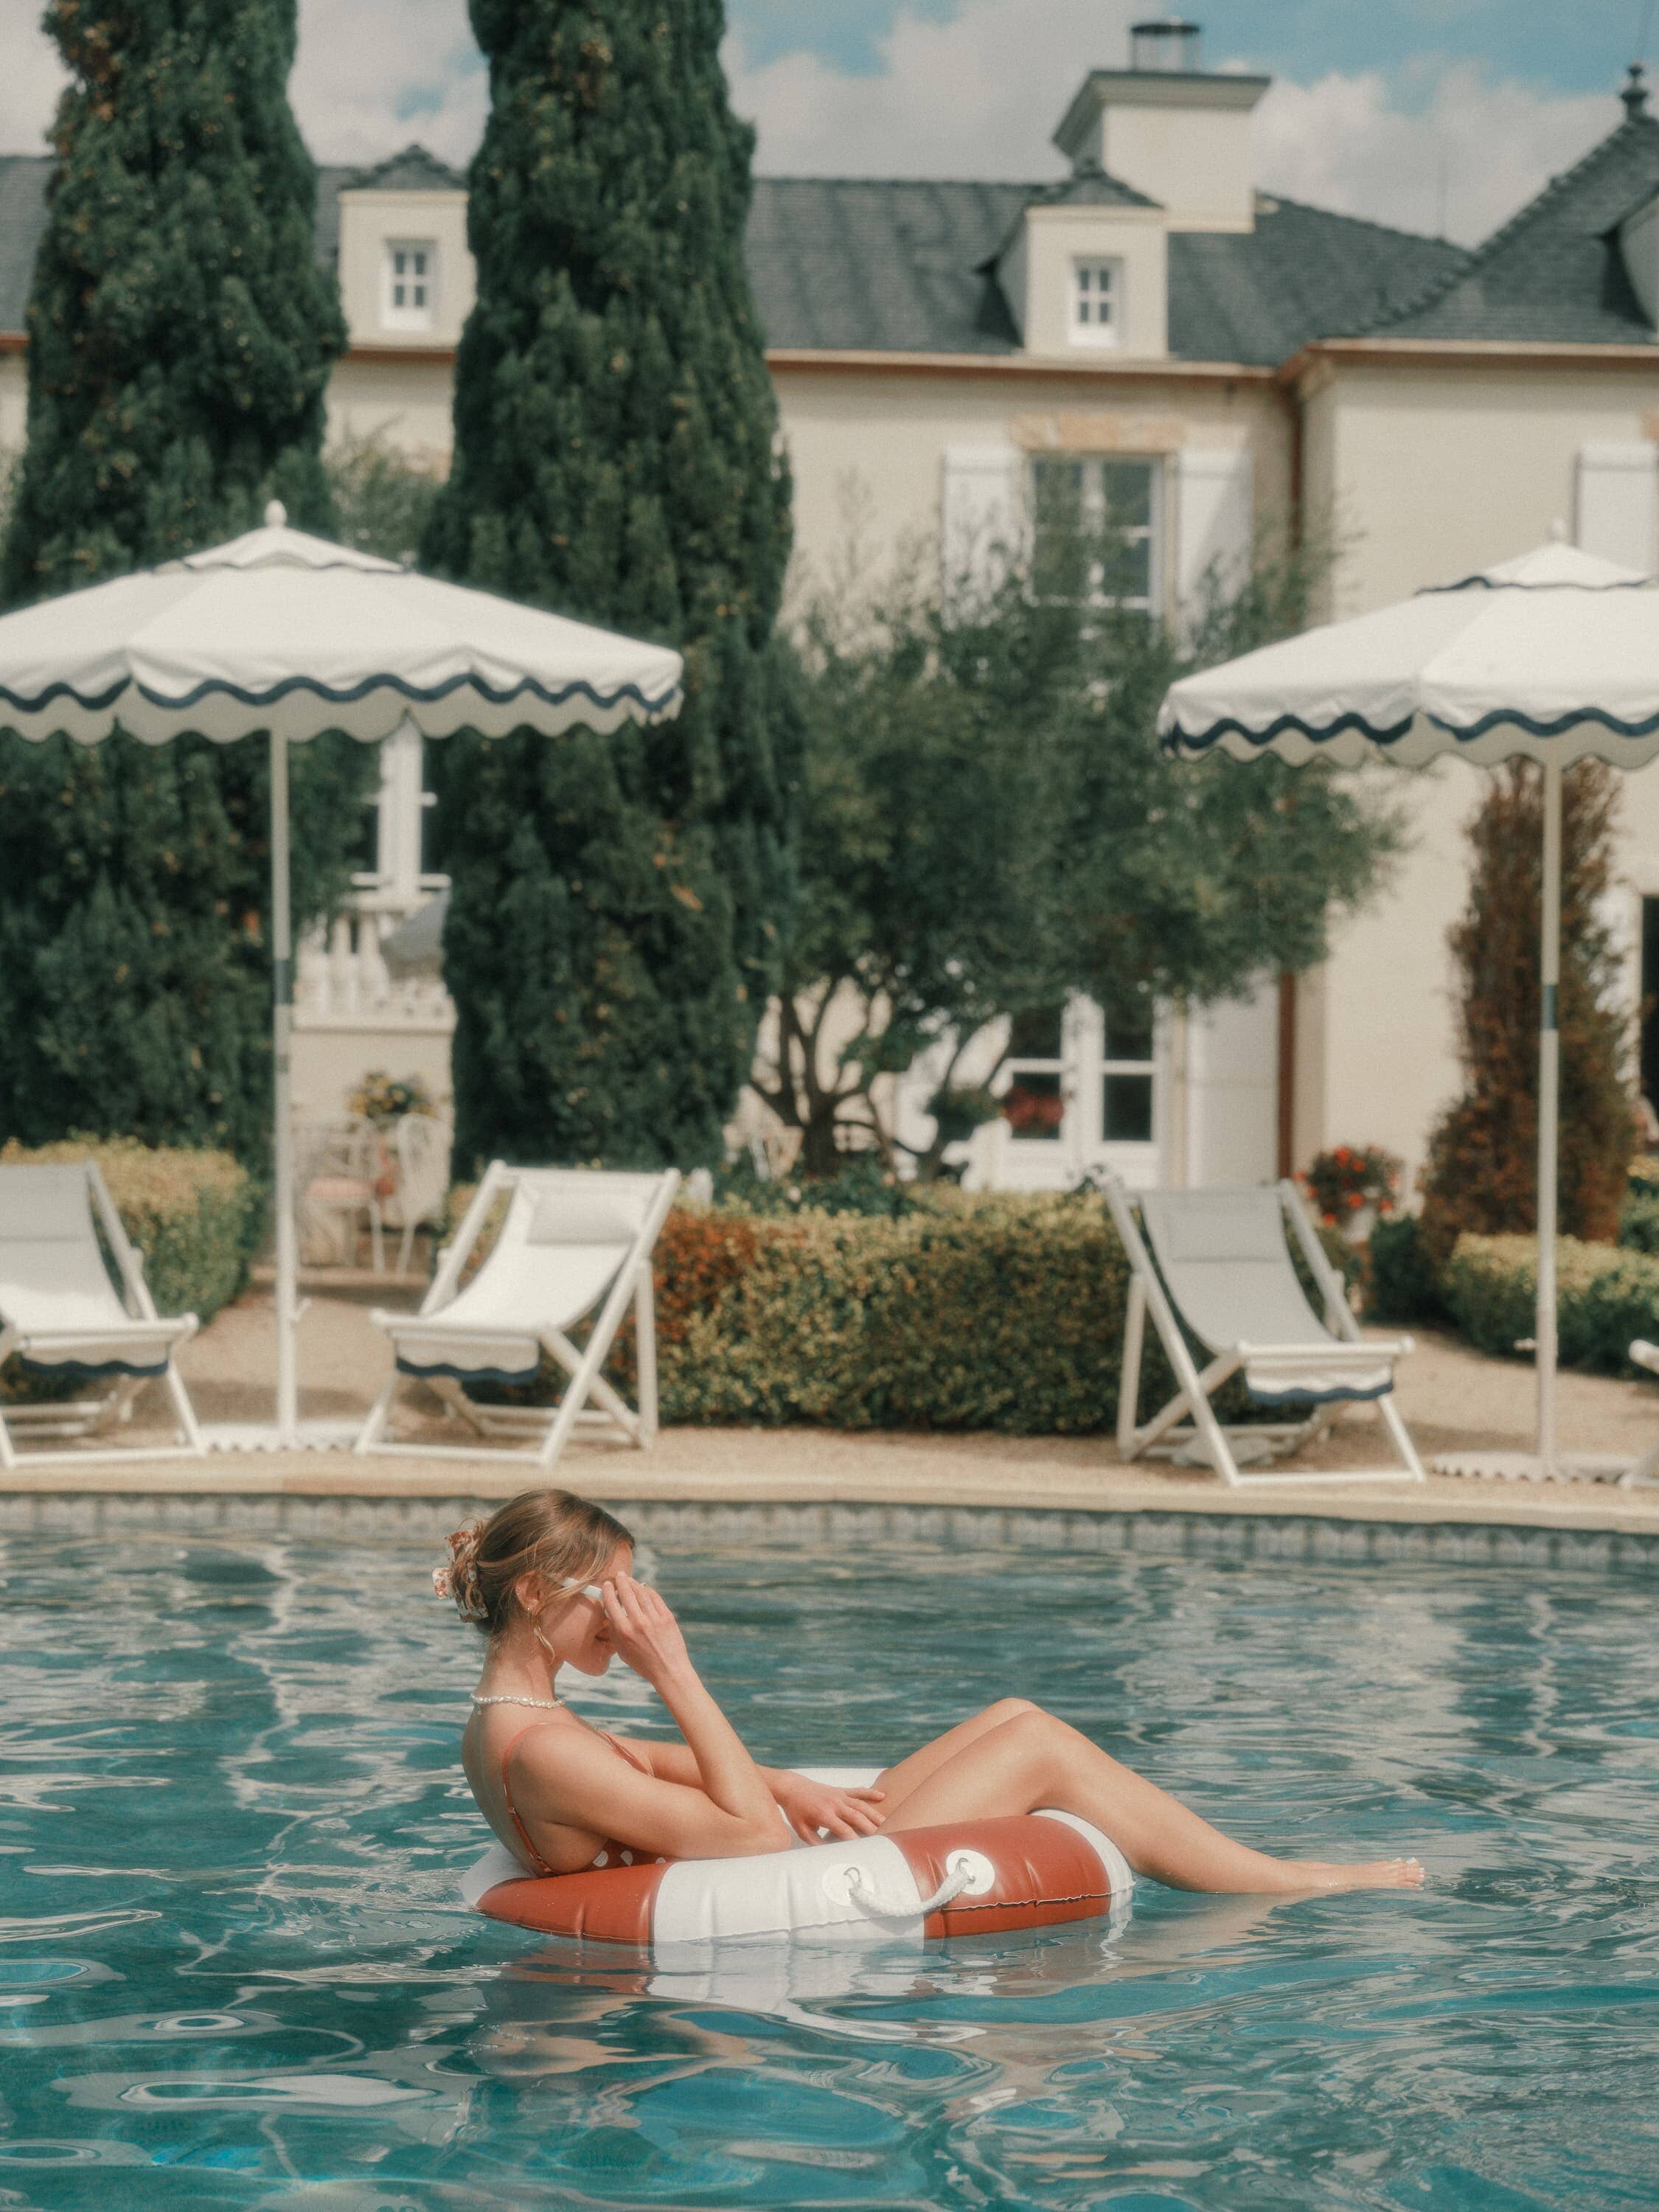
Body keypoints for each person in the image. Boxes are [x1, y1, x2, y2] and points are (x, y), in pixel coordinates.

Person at [445, 1488, 1425, 1896]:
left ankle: (1260, 1871)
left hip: (784, 1851)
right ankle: (1290, 1884)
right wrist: (675, 1671)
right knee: (1038, 1747)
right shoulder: (542, 1751)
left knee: (1014, 1715)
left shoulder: (525, 1722)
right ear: (535, 1593)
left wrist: (799, 1786)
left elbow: (681, 1772)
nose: (631, 1612)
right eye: (609, 1593)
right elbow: (742, 1837)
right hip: (776, 1880)